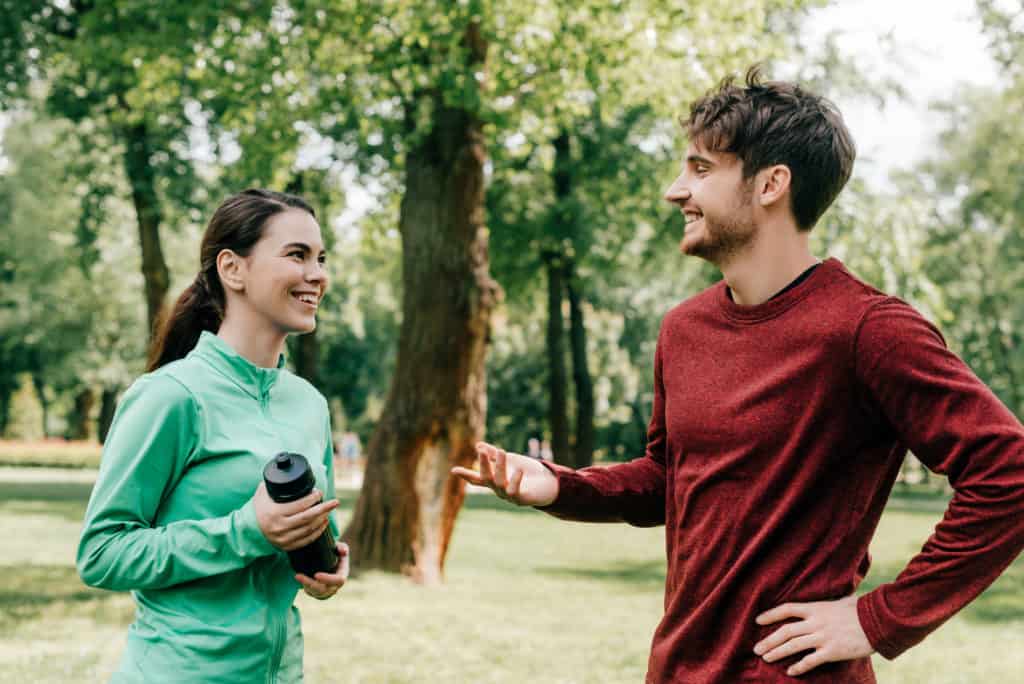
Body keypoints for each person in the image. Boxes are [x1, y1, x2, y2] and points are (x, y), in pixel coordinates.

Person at [452, 67, 1024, 683]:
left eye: (701, 170)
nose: (676, 191)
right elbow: (669, 478)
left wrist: (876, 619)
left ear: (772, 183)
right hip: (677, 669)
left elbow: (1009, 474)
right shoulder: (683, 329)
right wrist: (562, 486)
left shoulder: (868, 330)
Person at [77, 189, 350, 683]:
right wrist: (245, 531)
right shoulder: (171, 396)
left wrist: (324, 565)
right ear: (233, 269)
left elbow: (304, 532)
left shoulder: (309, 404)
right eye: (297, 255)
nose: (317, 274)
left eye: (321, 258)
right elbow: (101, 554)